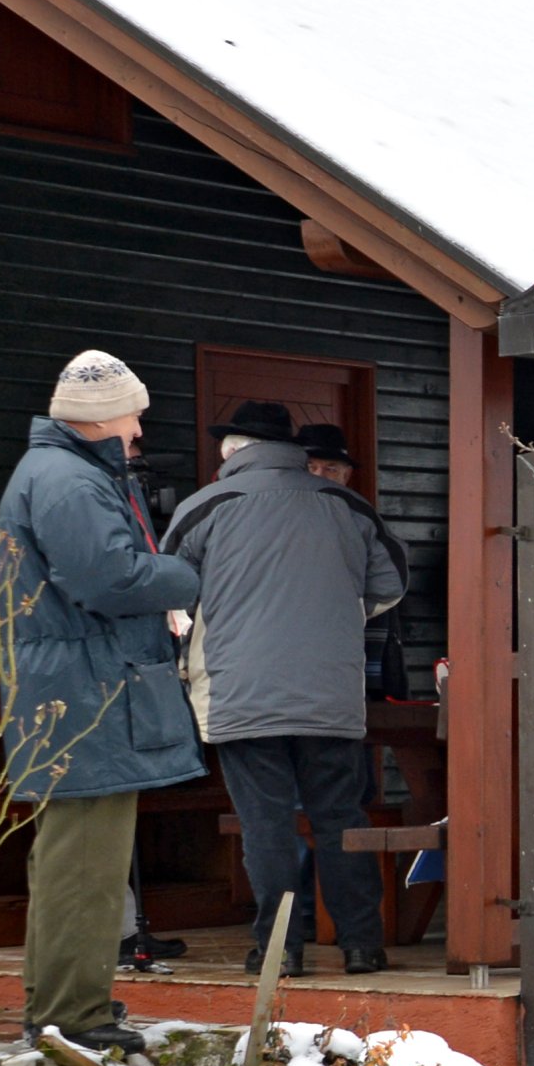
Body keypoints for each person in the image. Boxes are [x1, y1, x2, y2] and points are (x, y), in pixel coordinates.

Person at [0, 351, 204, 1053]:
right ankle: (72, 1018)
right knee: (84, 862)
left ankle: (62, 1008)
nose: (141, 426)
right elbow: (109, 580)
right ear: (101, 417)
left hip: (76, 687)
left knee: (72, 861)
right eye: (135, 412)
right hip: (87, 695)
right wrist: (183, 575)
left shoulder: (57, 475)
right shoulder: (70, 483)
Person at [164, 400, 408, 977]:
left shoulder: (205, 508)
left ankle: (281, 949)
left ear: (232, 450)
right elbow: (391, 582)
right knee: (340, 816)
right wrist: (346, 617)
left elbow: (168, 590)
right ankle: (361, 944)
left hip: (239, 689)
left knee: (266, 822)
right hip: (330, 691)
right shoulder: (347, 506)